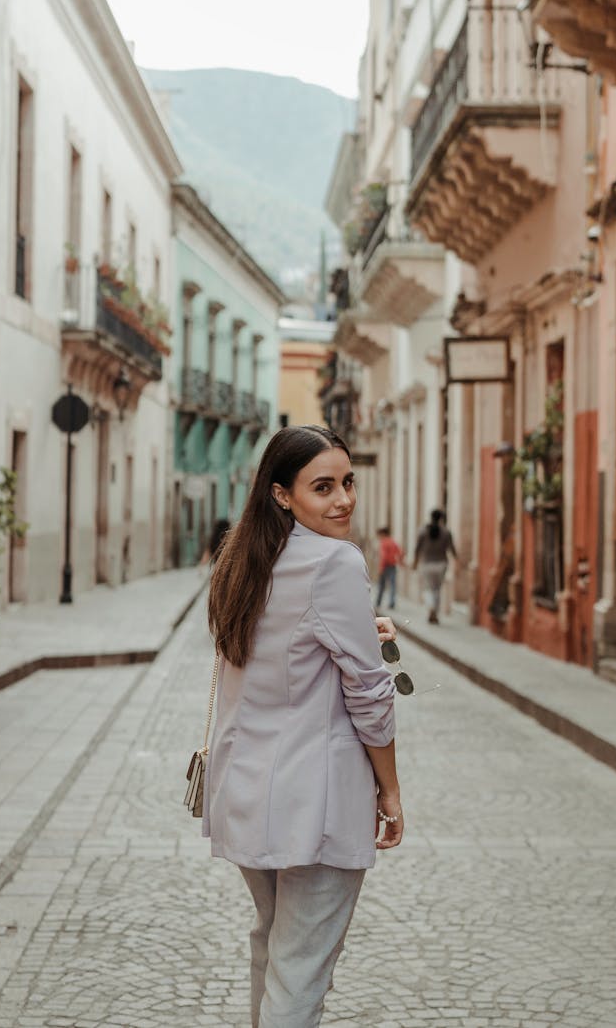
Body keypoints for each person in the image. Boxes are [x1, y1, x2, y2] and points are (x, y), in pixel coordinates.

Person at [204, 425, 403, 1027]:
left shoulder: (244, 558)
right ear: (281, 494)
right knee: (301, 970)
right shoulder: (335, 561)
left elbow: (277, 654)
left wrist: (361, 631)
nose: (343, 499)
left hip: (245, 791)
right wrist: (389, 788)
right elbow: (370, 693)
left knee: (272, 949)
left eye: (348, 482)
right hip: (312, 801)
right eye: (323, 487)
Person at [413, 508, 457, 624]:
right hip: (441, 564)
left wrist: (415, 562)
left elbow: (417, 548)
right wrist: (457, 562)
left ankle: (431, 607)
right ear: (441, 518)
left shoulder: (423, 531)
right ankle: (435, 613)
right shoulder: (446, 532)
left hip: (426, 564)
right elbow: (452, 549)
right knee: (437, 589)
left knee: (428, 588)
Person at [375, 526, 404, 610]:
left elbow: (383, 556)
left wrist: (381, 568)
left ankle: (378, 602)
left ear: (383, 534)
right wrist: (400, 562)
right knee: (392, 585)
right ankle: (392, 603)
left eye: (379, 535)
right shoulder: (393, 542)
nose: (378, 537)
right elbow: (400, 552)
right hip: (392, 565)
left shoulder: (383, 542)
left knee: (381, 585)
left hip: (385, 566)